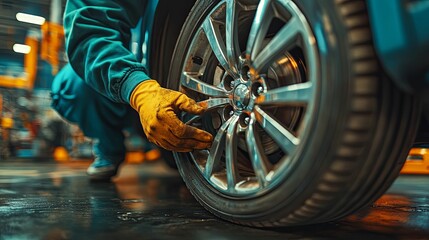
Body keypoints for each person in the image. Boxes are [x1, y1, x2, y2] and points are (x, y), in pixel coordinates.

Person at [54, 0, 213, 181]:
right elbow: (91, 28)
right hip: (131, 92)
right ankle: (109, 149)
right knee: (73, 85)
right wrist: (140, 90)